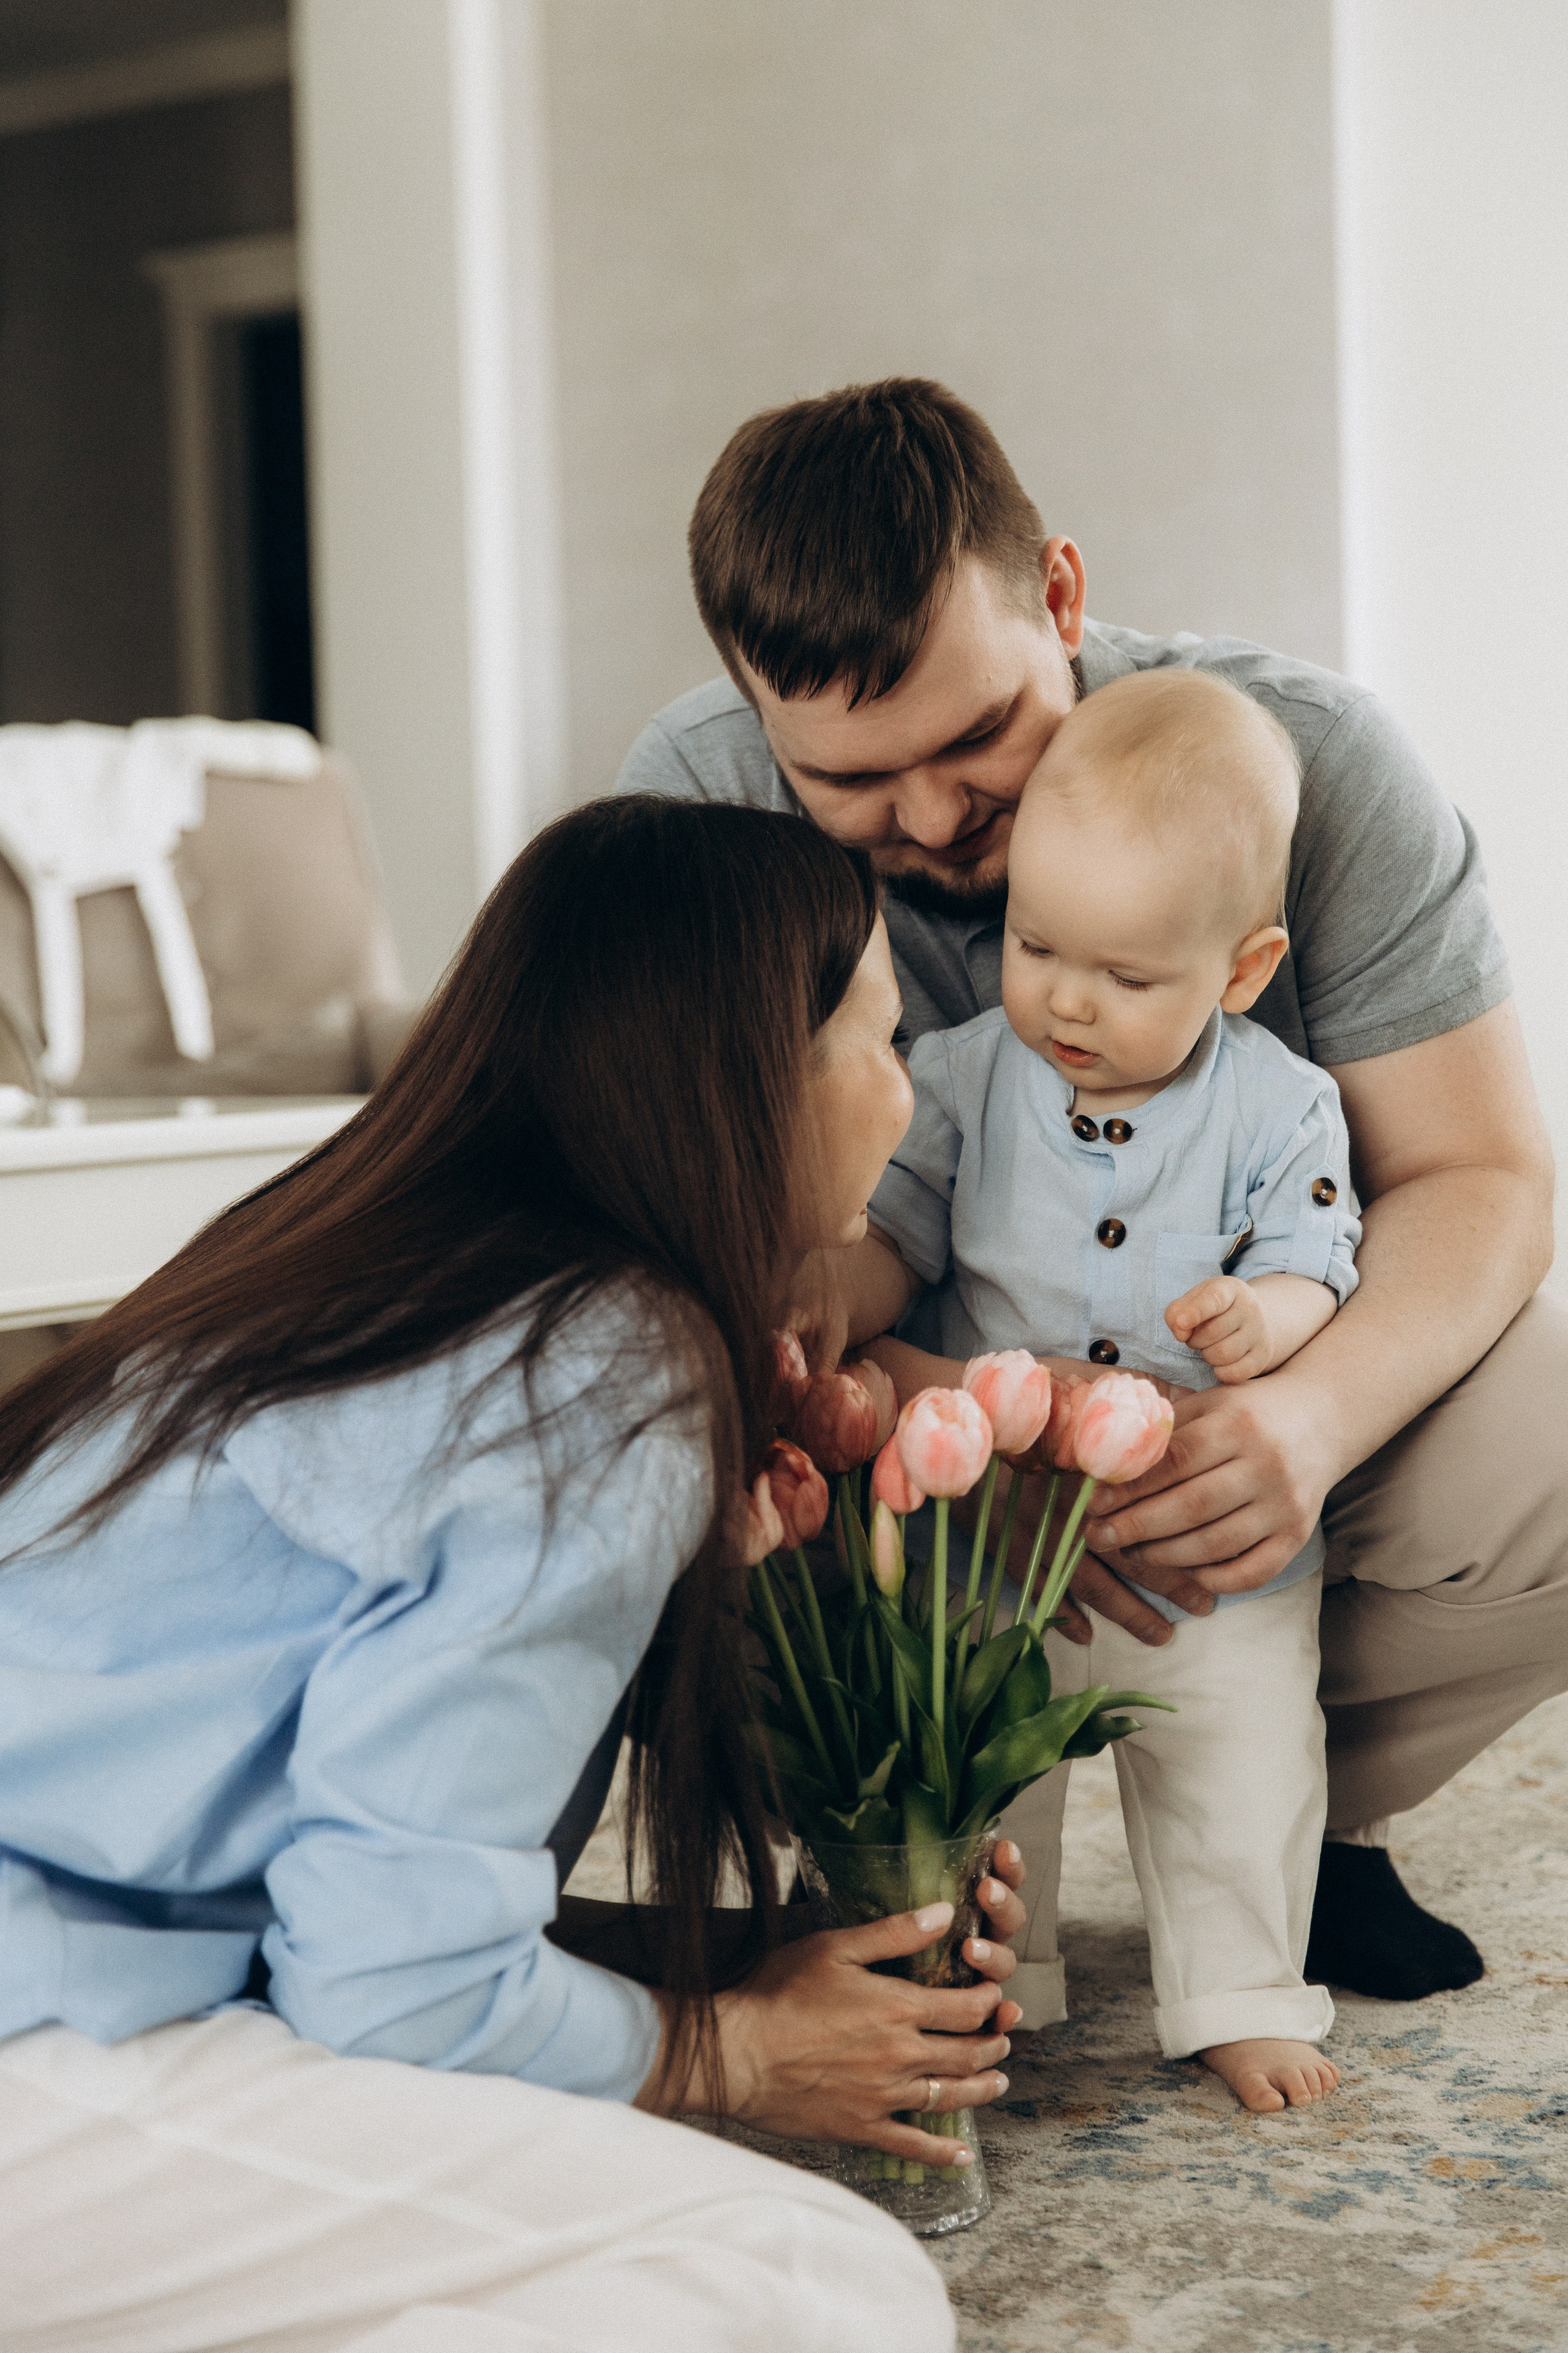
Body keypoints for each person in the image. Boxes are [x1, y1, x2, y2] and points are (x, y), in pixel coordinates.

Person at [0, 796, 1028, 2353]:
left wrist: (745, 1962)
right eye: (881, 1041)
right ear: (755, 1079)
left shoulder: (382, 1265)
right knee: (822, 2284)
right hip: (39, 2035)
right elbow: (392, 1992)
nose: (907, 1089)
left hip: (71, 1959)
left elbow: (339, 1884)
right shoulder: (591, 1367)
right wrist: (734, 2052)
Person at [615, 376, 1565, 2006]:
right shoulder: (691, 806)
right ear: (754, 714)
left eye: (976, 734)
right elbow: (673, 1250)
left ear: (1058, 595)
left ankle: (1292, 1829)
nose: (932, 819)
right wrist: (958, 1423)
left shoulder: (1313, 766)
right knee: (628, 1457)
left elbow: (1477, 1174)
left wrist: (1306, 1422)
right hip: (884, 1431)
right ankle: (899, 1839)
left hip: (1234, 1404)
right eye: (852, 780)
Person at [838, 668, 1358, 2113]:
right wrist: (832, 1300)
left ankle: (1239, 1990)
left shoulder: (1280, 1104)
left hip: (1204, 1547)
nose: (1065, 1000)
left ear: (1239, 971)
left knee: (1236, 1760)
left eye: (1127, 979)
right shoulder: (956, 1078)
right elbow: (894, 1236)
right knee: (983, 1762)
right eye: (1034, 945)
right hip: (996, 1533)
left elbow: (1317, 1259)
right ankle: (1006, 1970)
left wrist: (1264, 1314)